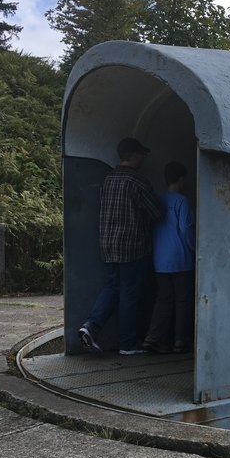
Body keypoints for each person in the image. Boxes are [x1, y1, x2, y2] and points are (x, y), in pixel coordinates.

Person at [79, 137, 164, 355]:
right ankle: (127, 344)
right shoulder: (137, 181)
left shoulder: (108, 179)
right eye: (142, 154)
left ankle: (91, 326)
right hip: (132, 247)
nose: (144, 158)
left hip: (108, 246)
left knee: (112, 287)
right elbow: (157, 213)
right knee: (129, 295)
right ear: (135, 155)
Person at [142, 161, 196, 354]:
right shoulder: (182, 201)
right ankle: (180, 340)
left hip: (160, 260)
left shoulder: (158, 200)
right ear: (181, 179)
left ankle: (153, 337)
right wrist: (195, 250)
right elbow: (186, 229)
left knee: (163, 299)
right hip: (181, 259)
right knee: (183, 300)